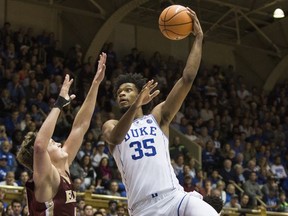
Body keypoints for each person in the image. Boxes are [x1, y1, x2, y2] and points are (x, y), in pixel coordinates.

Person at [102, 9, 218, 216]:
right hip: (143, 208)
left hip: (174, 197)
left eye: (128, 90)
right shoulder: (111, 125)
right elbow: (117, 137)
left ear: (140, 92)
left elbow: (187, 79)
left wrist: (199, 39)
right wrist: (136, 104)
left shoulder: (157, 116)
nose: (122, 94)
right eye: (119, 92)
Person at [16, 53, 106, 215]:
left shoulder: (62, 168)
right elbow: (39, 146)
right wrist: (59, 104)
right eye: (52, 143)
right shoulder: (46, 177)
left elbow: (81, 126)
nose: (58, 143)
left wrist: (95, 84)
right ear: (44, 158)